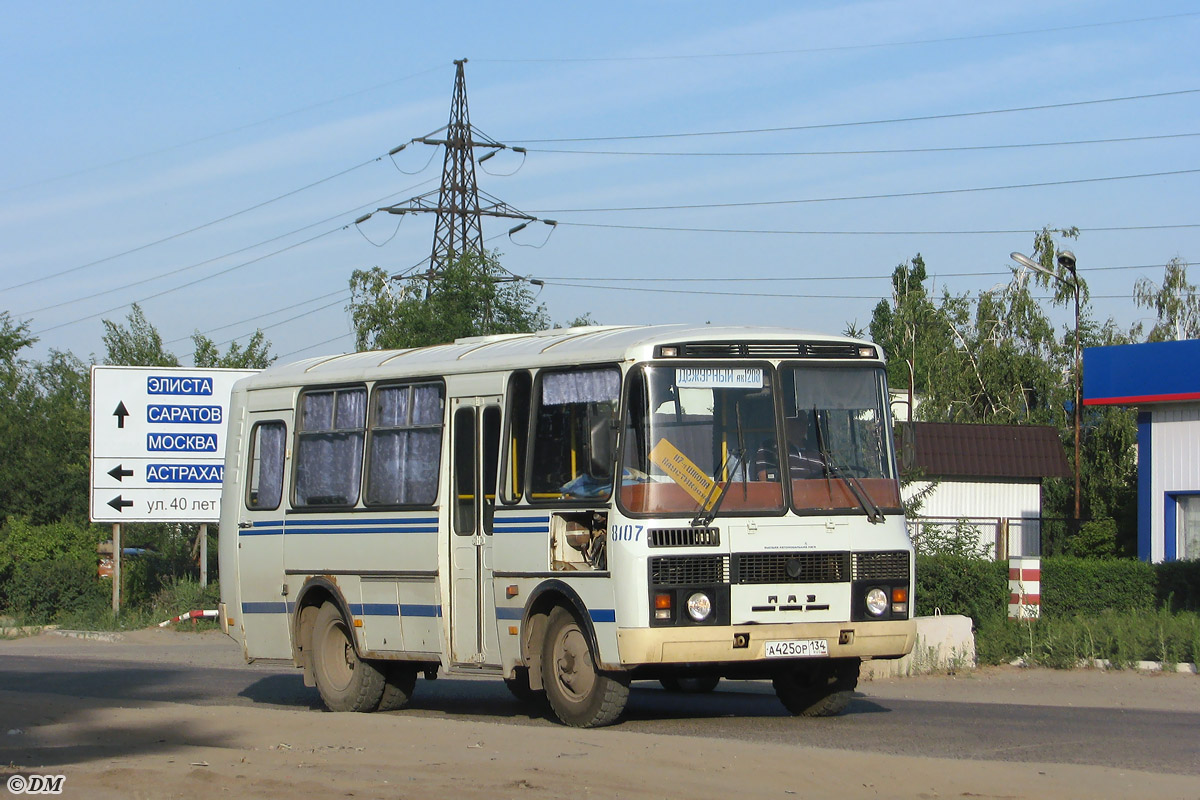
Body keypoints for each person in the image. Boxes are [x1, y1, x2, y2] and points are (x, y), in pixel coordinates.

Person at [754, 413, 825, 481]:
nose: (803, 426)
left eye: (805, 423)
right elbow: (765, 480)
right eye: (798, 421)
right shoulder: (769, 448)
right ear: (786, 422)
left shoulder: (815, 452)